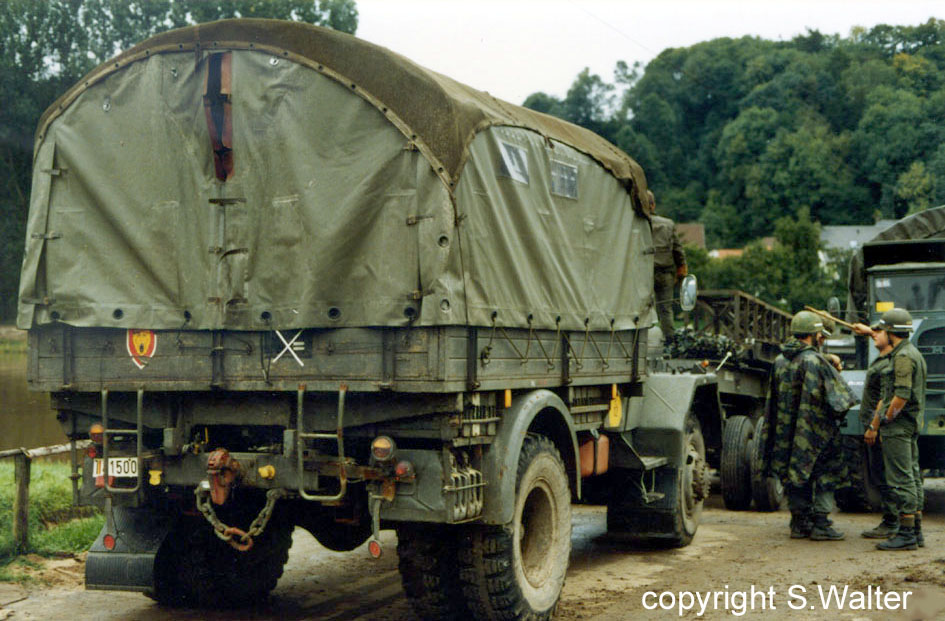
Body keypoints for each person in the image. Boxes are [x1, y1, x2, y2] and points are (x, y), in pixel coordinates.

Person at [761, 310, 859, 540]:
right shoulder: (815, 361)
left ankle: (799, 522)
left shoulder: (779, 361)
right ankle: (821, 524)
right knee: (826, 473)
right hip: (816, 433)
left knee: (794, 473)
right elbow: (841, 401)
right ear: (813, 335)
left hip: (786, 433)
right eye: (820, 335)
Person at [860, 308, 926, 551]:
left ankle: (907, 533)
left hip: (898, 427)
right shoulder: (910, 352)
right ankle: (915, 530)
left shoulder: (903, 357)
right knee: (911, 475)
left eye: (882, 330)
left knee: (900, 478)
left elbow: (901, 396)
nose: (879, 333)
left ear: (890, 332)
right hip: (907, 424)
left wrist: (886, 418)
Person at [850, 320, 899, 539]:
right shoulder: (884, 357)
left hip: (881, 427)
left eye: (879, 332)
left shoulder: (889, 363)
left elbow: (884, 399)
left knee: (885, 475)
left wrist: (873, 427)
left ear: (891, 336)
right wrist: (868, 330)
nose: (874, 334)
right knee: (880, 473)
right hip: (876, 425)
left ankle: (892, 521)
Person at [647, 190, 687, 343]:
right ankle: (670, 342)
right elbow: (678, 250)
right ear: (653, 205)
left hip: (644, 274)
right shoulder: (668, 224)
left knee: (643, 309)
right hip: (666, 273)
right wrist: (681, 269)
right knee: (666, 309)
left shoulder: (636, 223)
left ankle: (642, 343)